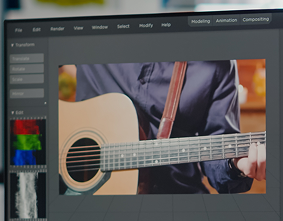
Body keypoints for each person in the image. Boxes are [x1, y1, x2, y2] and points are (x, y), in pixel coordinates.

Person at [69, 61, 266, 194]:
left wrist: (235, 163)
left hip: (177, 201)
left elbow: (217, 152)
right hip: (87, 202)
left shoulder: (217, 62)